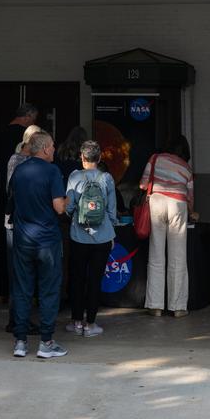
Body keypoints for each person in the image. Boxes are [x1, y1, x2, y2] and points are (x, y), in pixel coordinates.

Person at [8, 130, 68, 360]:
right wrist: (69, 197)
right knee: (49, 290)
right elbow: (59, 208)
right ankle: (46, 342)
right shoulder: (53, 171)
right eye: (52, 146)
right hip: (47, 241)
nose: (54, 149)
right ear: (44, 148)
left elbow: (12, 201)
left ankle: (20, 342)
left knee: (22, 290)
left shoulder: (19, 170)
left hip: (23, 239)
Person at [65, 140, 117, 338]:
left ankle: (76, 321)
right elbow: (111, 210)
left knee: (77, 279)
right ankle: (91, 324)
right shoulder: (107, 178)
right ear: (100, 157)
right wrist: (110, 227)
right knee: (95, 280)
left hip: (78, 237)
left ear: (81, 157)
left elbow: (69, 207)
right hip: (102, 238)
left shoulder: (75, 176)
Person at [139, 136, 195, 318]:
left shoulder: (155, 159)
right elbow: (190, 198)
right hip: (178, 206)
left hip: (157, 203)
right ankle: (178, 307)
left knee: (156, 255)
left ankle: (155, 306)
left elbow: (142, 184)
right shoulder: (187, 168)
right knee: (178, 256)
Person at [0, 102, 38, 299]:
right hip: (23, 202)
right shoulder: (25, 137)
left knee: (4, 245)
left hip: (5, 196)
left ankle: (1, 291)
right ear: (28, 117)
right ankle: (25, 294)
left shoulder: (1, 133)